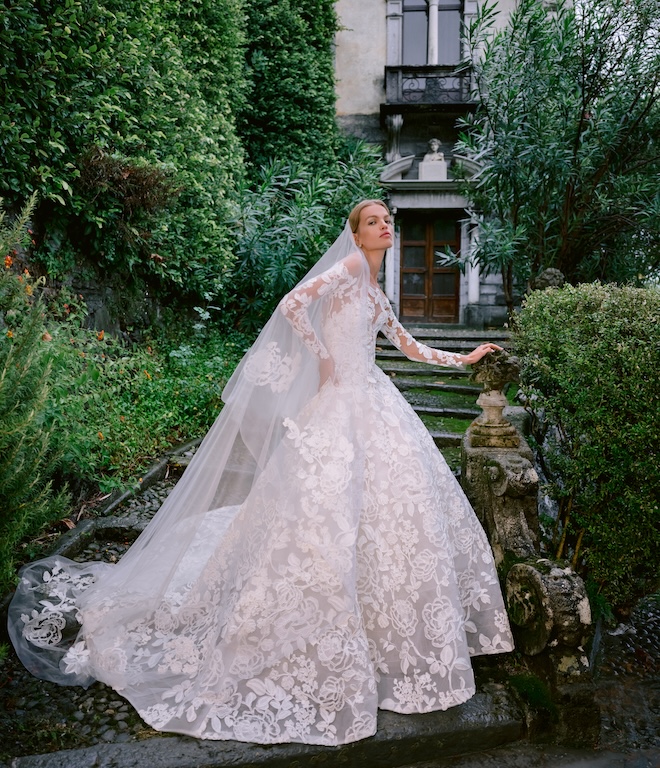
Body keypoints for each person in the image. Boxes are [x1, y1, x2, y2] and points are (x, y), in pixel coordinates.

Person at [8, 200, 513, 747]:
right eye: (373, 221)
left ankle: (389, 636)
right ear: (355, 234)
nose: (385, 225)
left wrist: (462, 360)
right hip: (339, 403)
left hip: (375, 403)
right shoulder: (345, 270)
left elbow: (405, 345)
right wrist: (321, 357)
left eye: (388, 219)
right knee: (320, 517)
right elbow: (293, 303)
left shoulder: (373, 289)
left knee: (392, 518)